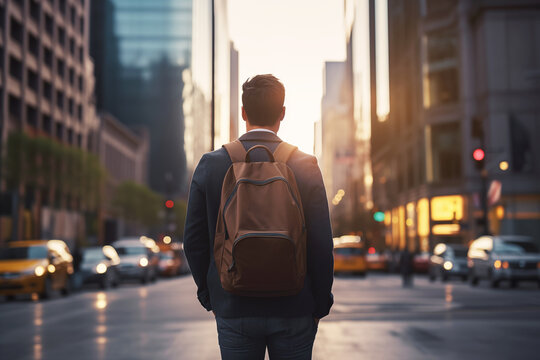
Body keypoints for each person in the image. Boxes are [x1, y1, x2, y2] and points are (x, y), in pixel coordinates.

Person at [183, 74, 334, 360]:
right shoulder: (305, 165)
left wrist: (210, 296)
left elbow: (193, 241)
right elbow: (321, 242)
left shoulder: (212, 164)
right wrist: (319, 304)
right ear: (283, 113)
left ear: (243, 112)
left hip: (233, 305)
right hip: (295, 306)